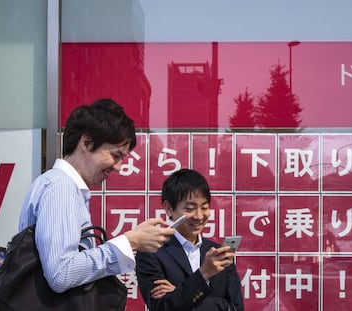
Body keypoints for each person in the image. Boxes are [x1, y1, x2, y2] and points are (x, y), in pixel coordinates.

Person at [18, 98, 175, 293]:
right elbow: (61, 274)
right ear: (86, 142)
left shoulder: (60, 185)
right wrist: (130, 241)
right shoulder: (61, 188)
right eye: (115, 155)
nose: (118, 166)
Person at [136, 168, 244, 311]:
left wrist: (180, 293)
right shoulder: (151, 252)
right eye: (190, 208)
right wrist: (204, 274)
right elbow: (161, 307)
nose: (199, 216)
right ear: (169, 208)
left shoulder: (218, 254)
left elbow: (236, 308)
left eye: (204, 207)